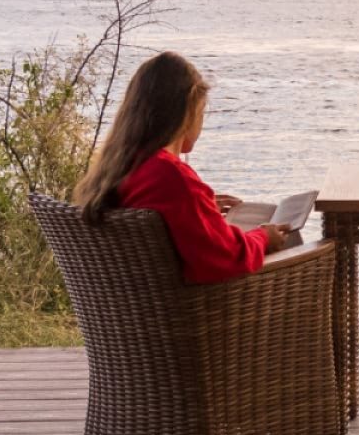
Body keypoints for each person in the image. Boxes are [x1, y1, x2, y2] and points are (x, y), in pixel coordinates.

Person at [72, 51, 295, 284]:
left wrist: (200, 206)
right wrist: (263, 237)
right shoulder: (171, 176)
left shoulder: (121, 164)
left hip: (129, 309)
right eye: (202, 112)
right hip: (193, 313)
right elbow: (228, 258)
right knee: (293, 244)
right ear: (188, 111)